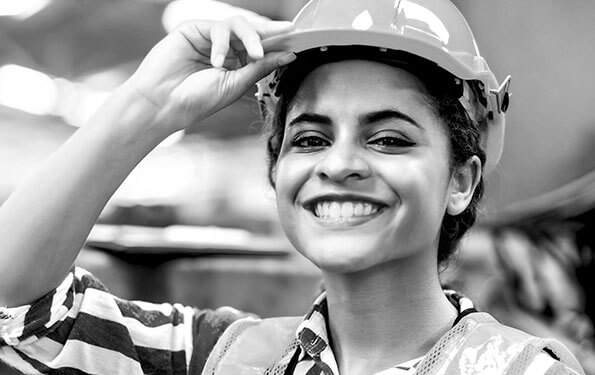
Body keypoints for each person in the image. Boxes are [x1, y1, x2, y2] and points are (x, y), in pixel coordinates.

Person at [0, 0, 585, 374]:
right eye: (309, 139)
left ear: (461, 179)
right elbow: (20, 315)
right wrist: (145, 107)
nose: (340, 164)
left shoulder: (523, 371)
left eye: (388, 139)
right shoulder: (218, 356)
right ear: (277, 169)